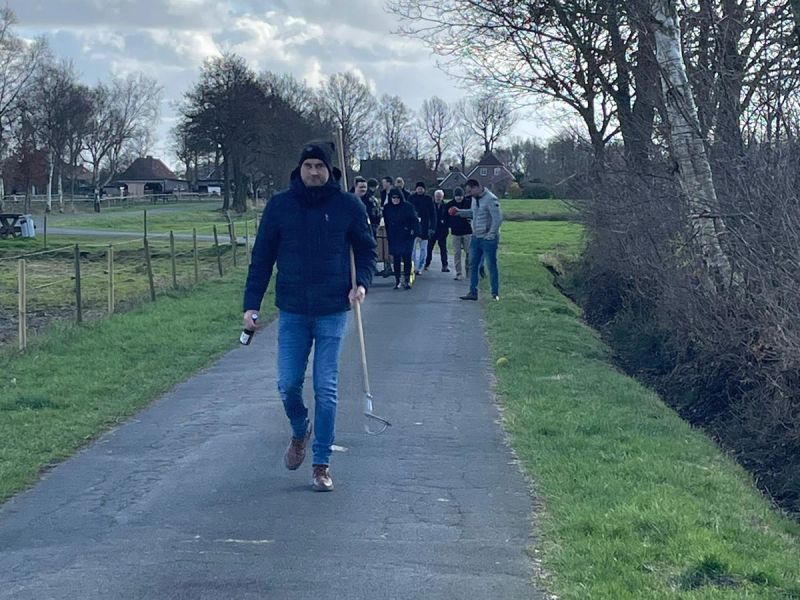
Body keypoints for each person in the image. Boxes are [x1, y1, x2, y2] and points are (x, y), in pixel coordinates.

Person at [243, 142, 377, 492]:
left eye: (320, 166)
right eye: (309, 166)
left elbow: (366, 251)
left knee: (325, 388)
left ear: (329, 170)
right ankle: (300, 429)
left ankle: (321, 463)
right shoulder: (280, 206)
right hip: (293, 309)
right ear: (300, 169)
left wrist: (362, 284)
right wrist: (251, 305)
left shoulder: (348, 205)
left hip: (333, 309)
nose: (314, 171)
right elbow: (261, 259)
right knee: (288, 383)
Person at [449, 178, 503, 301]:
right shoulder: (474, 199)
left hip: (488, 239)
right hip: (476, 236)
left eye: (470, 191)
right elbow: (473, 213)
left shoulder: (491, 199)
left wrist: (491, 234)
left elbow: (498, 218)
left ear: (477, 187)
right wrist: (459, 212)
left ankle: (495, 294)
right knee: (473, 265)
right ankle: (473, 292)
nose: (469, 194)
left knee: (491, 265)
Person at [382, 187, 419, 289]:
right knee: (396, 258)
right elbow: (387, 222)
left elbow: (414, 220)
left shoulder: (408, 207)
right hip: (394, 236)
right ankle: (397, 280)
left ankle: (407, 279)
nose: (395, 199)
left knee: (407, 258)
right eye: (393, 197)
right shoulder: (387, 208)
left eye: (397, 197)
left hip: (407, 235)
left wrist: (415, 232)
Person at [407, 181, 435, 275]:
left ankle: (420, 267)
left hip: (425, 227)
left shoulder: (428, 199)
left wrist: (432, 227)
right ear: (416, 189)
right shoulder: (411, 198)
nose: (420, 190)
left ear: (424, 189)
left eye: (421, 188)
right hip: (413, 227)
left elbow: (433, 214)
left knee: (423, 249)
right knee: (413, 249)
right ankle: (413, 266)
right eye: (418, 188)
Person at [445, 187, 472, 281]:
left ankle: (468, 271)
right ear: (454, 196)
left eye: (460, 196)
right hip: (455, 232)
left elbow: (472, 213)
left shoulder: (468, 203)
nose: (459, 198)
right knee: (457, 253)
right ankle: (458, 273)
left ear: (463, 195)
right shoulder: (450, 204)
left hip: (467, 231)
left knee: (469, 252)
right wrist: (450, 225)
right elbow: (445, 217)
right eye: (457, 196)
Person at [425, 189, 450, 272]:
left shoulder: (446, 206)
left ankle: (445, 266)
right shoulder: (430, 205)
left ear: (442, 197)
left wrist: (446, 227)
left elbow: (448, 218)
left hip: (442, 231)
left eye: (440, 196)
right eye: (437, 196)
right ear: (434, 197)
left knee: (443, 249)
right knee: (429, 248)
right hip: (432, 230)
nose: (438, 198)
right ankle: (426, 264)